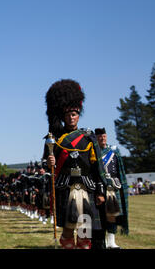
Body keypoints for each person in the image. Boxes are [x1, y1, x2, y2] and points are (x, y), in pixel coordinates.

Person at [44, 79, 107, 249]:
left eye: (74, 114)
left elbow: (98, 167)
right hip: (65, 187)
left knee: (85, 229)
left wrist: (101, 191)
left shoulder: (89, 137)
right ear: (63, 116)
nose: (71, 118)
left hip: (86, 188)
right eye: (68, 115)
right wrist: (50, 163)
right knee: (68, 229)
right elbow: (45, 165)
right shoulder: (54, 139)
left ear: (78, 115)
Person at [95, 128, 129, 249]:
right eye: (100, 137)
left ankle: (111, 241)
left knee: (112, 215)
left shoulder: (114, 150)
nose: (102, 138)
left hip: (113, 187)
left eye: (104, 136)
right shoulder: (95, 152)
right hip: (100, 187)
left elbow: (120, 170)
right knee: (101, 216)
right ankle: (102, 240)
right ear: (96, 138)